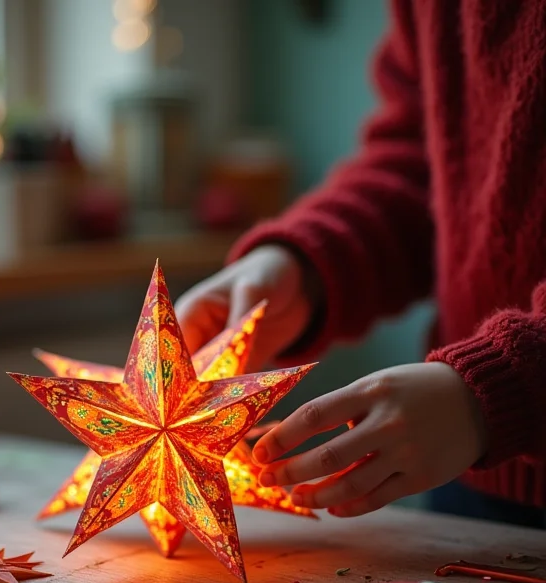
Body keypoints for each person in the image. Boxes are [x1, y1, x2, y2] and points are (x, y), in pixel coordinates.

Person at [176, 0, 546, 527]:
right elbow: (424, 163)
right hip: (467, 482)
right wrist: (302, 265)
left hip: (482, 419)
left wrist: (508, 386)